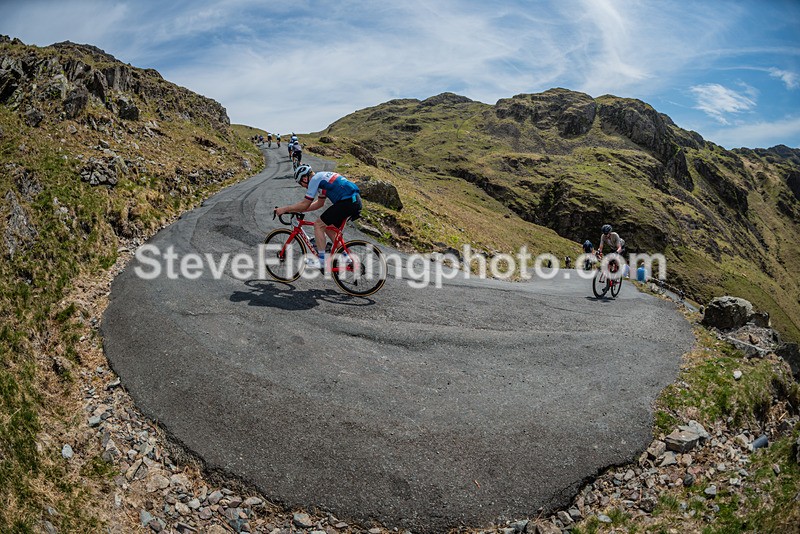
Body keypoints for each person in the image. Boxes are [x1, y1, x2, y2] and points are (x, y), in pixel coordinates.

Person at [275, 165, 362, 268]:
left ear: (305, 178)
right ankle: (348, 258)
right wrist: (296, 210)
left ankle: (322, 260)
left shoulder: (315, 180)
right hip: (354, 201)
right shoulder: (321, 179)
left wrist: (284, 209)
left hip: (347, 201)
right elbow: (319, 204)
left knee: (318, 224)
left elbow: (305, 204)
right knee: (330, 229)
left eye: (301, 183)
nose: (303, 186)